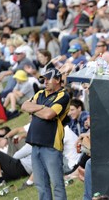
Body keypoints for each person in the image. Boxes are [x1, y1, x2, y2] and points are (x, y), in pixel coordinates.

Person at [21, 68, 70, 200]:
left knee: (57, 184)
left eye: (48, 78)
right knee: (41, 185)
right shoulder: (40, 93)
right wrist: (42, 108)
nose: (45, 81)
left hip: (51, 145)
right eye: (44, 79)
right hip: (35, 143)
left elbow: (49, 115)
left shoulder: (63, 95)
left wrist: (34, 109)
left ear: (58, 79)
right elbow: (24, 105)